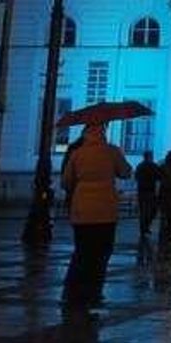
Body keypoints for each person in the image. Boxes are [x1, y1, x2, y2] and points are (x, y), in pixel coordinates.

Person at [60, 123, 132, 307]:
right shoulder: (111, 151)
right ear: (103, 133)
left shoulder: (77, 153)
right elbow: (125, 172)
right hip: (105, 211)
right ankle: (94, 287)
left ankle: (74, 286)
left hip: (82, 210)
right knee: (102, 250)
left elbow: (67, 181)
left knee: (82, 250)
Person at [134, 150, 160, 236]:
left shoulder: (140, 166)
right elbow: (159, 176)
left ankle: (143, 228)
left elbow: (136, 177)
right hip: (150, 191)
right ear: (150, 156)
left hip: (141, 190)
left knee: (143, 211)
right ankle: (146, 226)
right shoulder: (153, 166)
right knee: (152, 210)